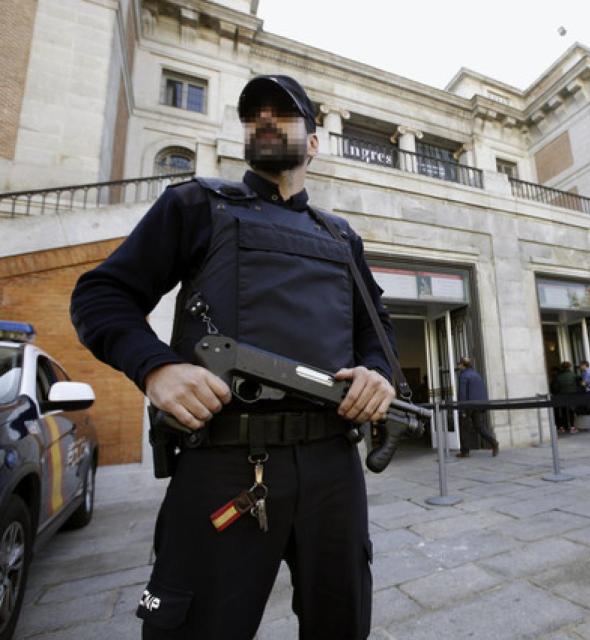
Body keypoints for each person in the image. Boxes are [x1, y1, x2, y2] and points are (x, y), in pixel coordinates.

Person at [70, 75, 398, 639]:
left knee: (344, 622)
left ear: (314, 143)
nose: (266, 119)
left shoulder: (341, 236)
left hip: (333, 467)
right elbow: (102, 296)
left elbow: (378, 331)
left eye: (284, 113)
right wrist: (156, 367)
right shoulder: (196, 204)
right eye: (255, 115)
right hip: (224, 461)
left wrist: (378, 374)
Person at [455, 357, 499, 457]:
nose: (458, 366)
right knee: (479, 426)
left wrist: (462, 409)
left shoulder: (463, 375)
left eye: (459, 364)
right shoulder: (477, 374)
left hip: (469, 405)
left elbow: (462, 394)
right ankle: (493, 442)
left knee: (464, 427)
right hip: (479, 404)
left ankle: (465, 452)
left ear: (463, 365)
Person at [553, 361, 581, 433]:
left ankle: (564, 427)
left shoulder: (559, 377)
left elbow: (555, 388)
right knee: (571, 411)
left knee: (564, 412)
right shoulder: (574, 375)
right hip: (572, 395)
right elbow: (580, 383)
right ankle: (572, 427)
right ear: (570, 367)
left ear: (562, 367)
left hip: (562, 395)